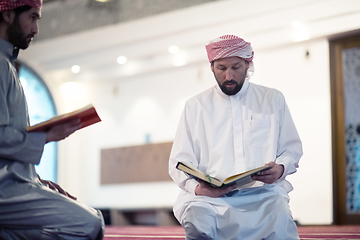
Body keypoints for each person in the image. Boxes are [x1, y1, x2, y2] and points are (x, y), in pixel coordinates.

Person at [169, 34, 303, 240]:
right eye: (222, 68)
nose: (229, 76)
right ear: (212, 67)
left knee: (279, 219)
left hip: (263, 196)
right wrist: (197, 188)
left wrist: (280, 168)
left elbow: (291, 148)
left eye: (236, 67)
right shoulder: (195, 106)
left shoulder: (272, 99)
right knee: (197, 223)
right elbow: (179, 160)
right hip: (210, 200)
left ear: (248, 64)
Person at [0, 0, 104, 239]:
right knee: (89, 224)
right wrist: (47, 135)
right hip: (5, 192)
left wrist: (36, 180)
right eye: (33, 18)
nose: (36, 29)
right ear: (7, 15)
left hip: (13, 186)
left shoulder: (7, 65)